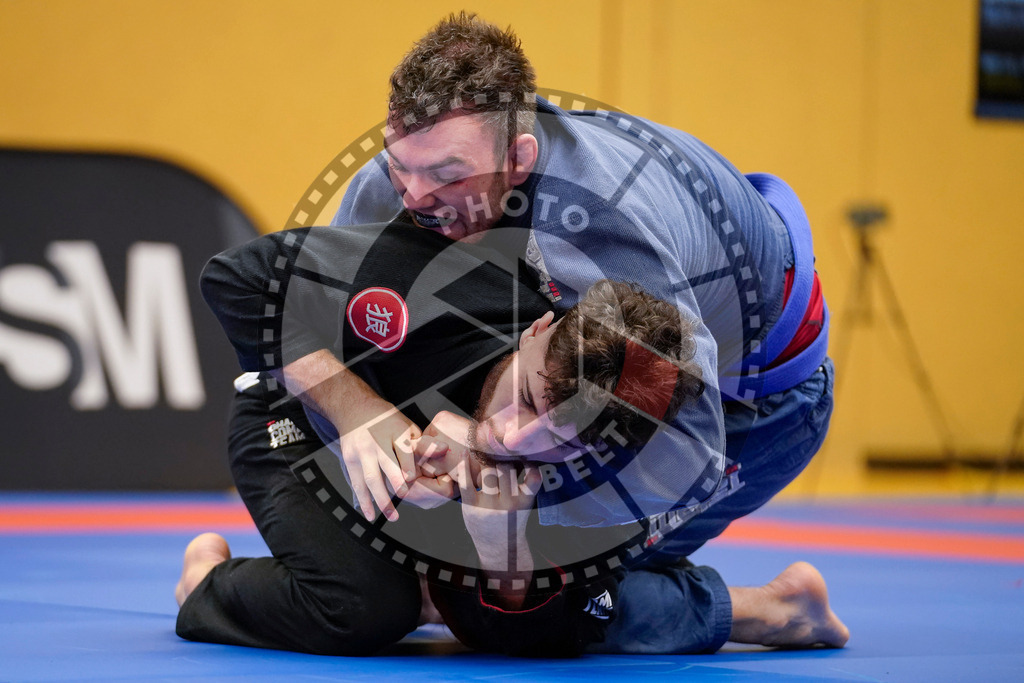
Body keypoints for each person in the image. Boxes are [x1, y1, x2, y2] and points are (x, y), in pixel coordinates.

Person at [300, 12, 839, 655]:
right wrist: (364, 419)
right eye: (400, 166)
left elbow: (687, 445)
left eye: (447, 175)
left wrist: (483, 466)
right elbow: (322, 317)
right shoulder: (400, 180)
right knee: (463, 551)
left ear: (519, 158)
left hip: (749, 400)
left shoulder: (601, 237)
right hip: (622, 336)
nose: (415, 196)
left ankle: (770, 611)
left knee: (526, 589)